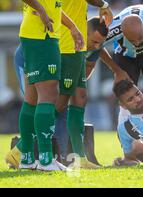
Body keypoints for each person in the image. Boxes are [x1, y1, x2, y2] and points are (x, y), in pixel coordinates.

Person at [7, 0, 83, 171]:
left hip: (38, 33)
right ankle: (46, 160)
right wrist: (40, 9)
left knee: (31, 97)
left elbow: (53, 3)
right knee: (48, 96)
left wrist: (72, 27)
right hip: (40, 36)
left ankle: (27, 158)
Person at [5, 17, 109, 169]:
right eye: (94, 41)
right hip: (27, 59)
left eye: (100, 43)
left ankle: (74, 158)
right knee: (39, 103)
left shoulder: (92, 46)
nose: (96, 46)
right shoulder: (64, 38)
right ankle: (22, 153)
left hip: (59, 62)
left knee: (71, 100)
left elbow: (84, 73)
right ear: (83, 32)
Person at [52, 0, 113, 169]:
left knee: (79, 96)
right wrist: (104, 4)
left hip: (72, 43)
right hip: (67, 43)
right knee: (60, 101)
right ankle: (27, 147)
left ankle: (80, 158)